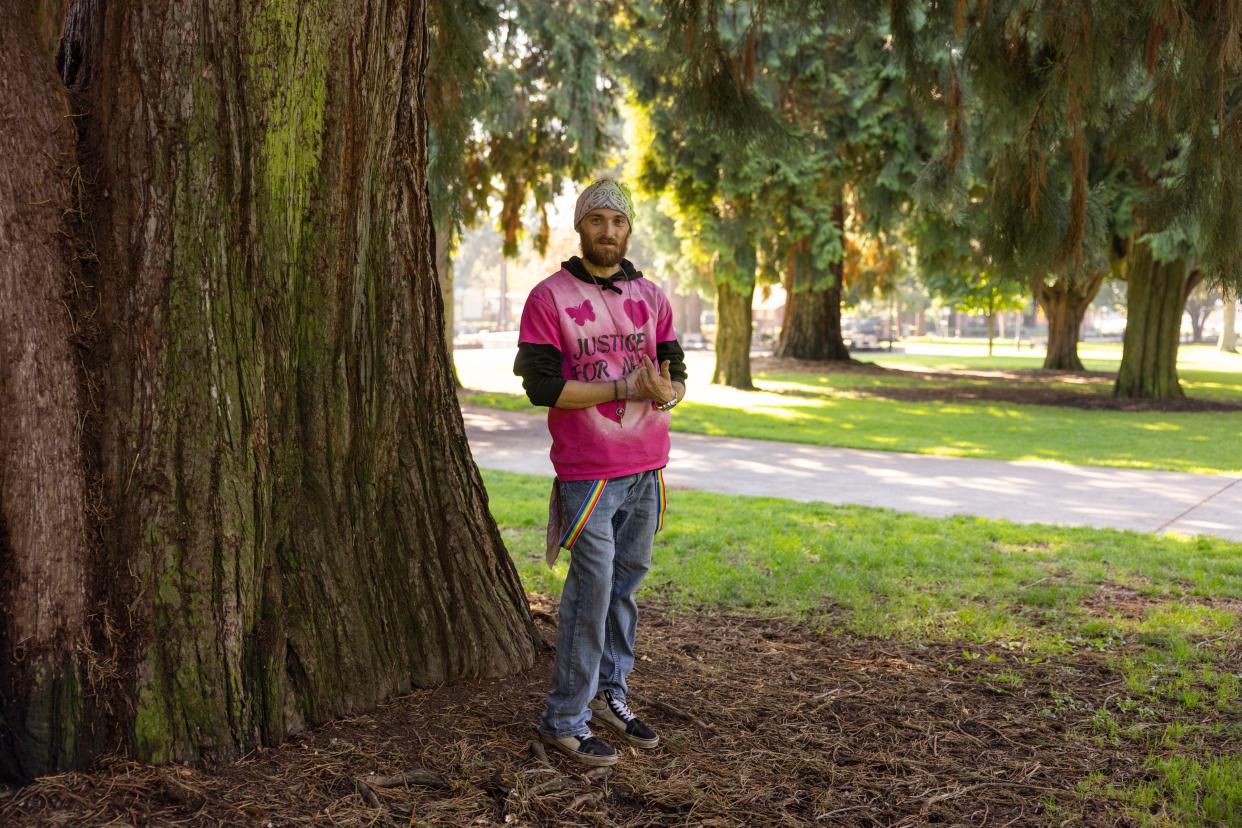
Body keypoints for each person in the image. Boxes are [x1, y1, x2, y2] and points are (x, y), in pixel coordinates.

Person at [513, 178, 687, 767]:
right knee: (591, 594)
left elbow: (675, 374)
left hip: (647, 469)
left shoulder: (653, 296)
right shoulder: (549, 297)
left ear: (628, 229)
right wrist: (621, 386)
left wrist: (668, 393)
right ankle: (564, 717)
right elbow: (542, 387)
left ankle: (613, 693)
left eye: (617, 221)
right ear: (581, 227)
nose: (607, 231)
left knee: (626, 589)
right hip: (588, 474)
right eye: (597, 220)